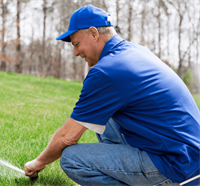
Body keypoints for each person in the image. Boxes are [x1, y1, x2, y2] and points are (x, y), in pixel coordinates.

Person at [24, 4, 200, 186]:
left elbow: (67, 137)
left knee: (72, 159)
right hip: (191, 158)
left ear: (93, 33)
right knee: (105, 113)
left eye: (76, 44)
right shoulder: (136, 52)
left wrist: (39, 162)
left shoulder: (107, 71)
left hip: (176, 167)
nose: (76, 53)